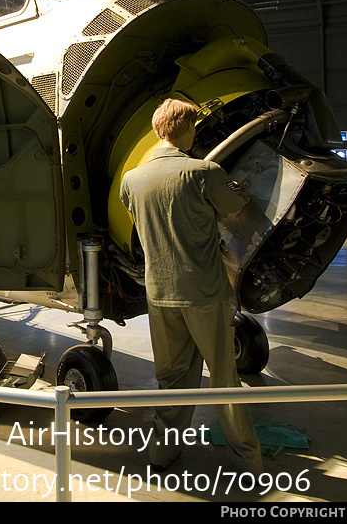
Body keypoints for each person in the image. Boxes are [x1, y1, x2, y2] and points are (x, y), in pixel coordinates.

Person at [119, 98, 263, 474]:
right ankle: (246, 461)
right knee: (223, 379)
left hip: (159, 293)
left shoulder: (132, 180)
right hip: (203, 292)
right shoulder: (203, 172)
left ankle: (162, 455)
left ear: (156, 130)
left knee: (172, 379)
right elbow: (235, 207)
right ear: (187, 130)